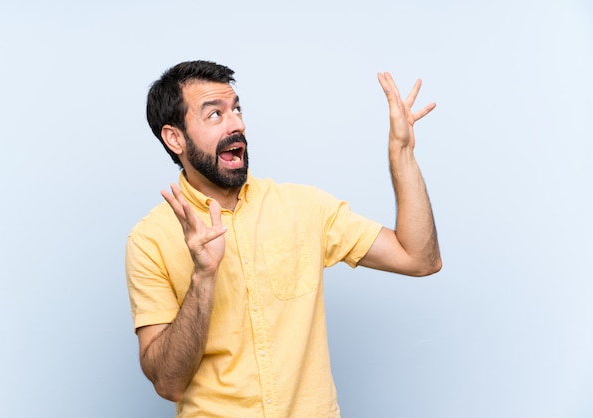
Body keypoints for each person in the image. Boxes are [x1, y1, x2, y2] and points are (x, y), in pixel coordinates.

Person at [125, 60, 441, 417]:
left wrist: (402, 152)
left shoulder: (304, 207)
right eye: (215, 115)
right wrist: (203, 275)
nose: (237, 125)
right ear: (174, 137)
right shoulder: (149, 240)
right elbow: (168, 384)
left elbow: (420, 258)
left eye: (237, 109)